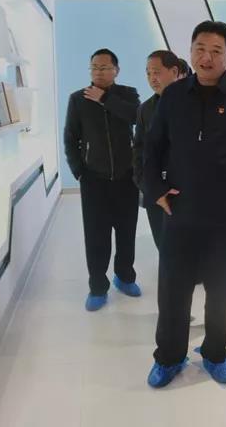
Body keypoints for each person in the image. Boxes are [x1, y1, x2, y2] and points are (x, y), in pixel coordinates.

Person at [144, 21, 226, 388]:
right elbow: (153, 146)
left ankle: (215, 353)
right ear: (190, 53)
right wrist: (156, 190)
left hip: (225, 215)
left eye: (216, 51)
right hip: (179, 210)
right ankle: (169, 357)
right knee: (173, 288)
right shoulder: (173, 96)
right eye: (200, 48)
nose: (207, 57)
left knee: (221, 289)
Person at [64, 48, 141, 312]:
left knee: (127, 231)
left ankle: (125, 276)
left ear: (116, 70)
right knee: (96, 235)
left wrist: (105, 99)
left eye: (104, 67)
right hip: (93, 179)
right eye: (94, 67)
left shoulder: (128, 94)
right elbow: (70, 138)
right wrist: (79, 171)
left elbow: (136, 117)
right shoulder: (78, 99)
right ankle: (97, 286)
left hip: (126, 177)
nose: (98, 72)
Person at [133, 50, 189, 250]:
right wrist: (148, 187)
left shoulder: (195, 104)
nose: (152, 78)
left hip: (189, 194)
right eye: (148, 73)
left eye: (156, 72)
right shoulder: (145, 109)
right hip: (156, 194)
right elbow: (138, 152)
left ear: (174, 72)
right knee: (164, 248)